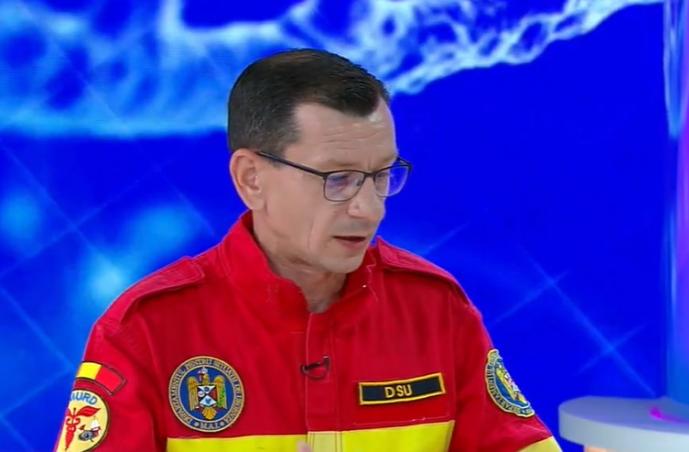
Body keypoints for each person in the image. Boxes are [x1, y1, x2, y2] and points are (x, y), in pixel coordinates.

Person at [54, 48, 562, 452]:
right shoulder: (145, 329)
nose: (369, 209)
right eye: (338, 179)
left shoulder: (436, 309)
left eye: (382, 176)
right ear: (251, 179)